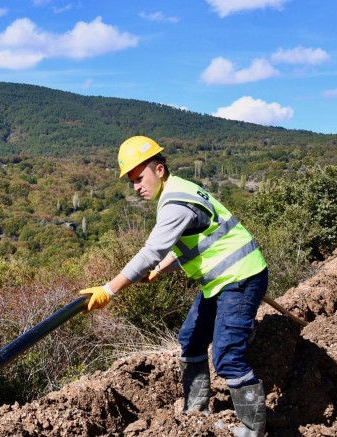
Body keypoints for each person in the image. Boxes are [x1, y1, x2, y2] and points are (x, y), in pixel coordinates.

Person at [79, 135, 269, 436]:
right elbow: (192, 243)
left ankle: (253, 429)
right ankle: (196, 413)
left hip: (240, 278)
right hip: (221, 281)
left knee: (228, 357)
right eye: (131, 182)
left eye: (140, 178)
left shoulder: (175, 202)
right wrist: (159, 270)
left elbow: (150, 251)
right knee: (190, 340)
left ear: (159, 169)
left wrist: (109, 289)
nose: (137, 187)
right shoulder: (180, 189)